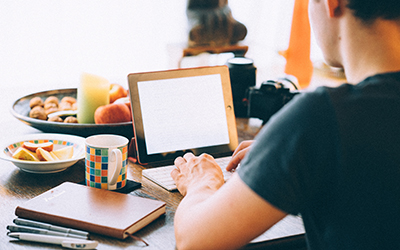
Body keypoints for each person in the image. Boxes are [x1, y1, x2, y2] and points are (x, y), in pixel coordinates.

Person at [171, 0, 400, 249]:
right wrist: (281, 151)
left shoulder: (321, 118)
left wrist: (201, 182)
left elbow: (194, 240)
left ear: (331, 4)